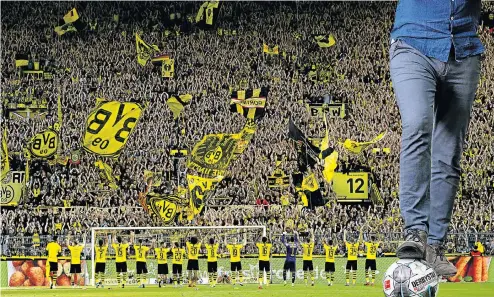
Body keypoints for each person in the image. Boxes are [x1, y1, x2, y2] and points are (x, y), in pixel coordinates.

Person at [390, 0, 484, 277]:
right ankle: (416, 231)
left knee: (449, 149)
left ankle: (435, 244)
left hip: (464, 51)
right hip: (413, 44)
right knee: (418, 122)